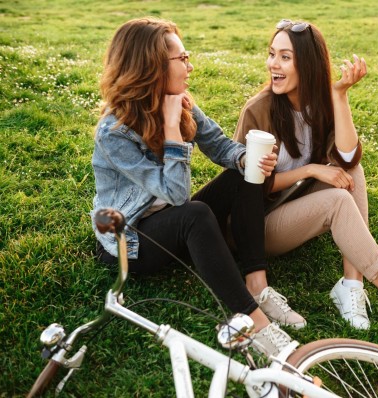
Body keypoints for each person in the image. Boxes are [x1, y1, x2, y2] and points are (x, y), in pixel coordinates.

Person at [233, 19, 378, 332]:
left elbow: (348, 157)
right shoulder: (258, 110)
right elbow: (245, 187)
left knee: (352, 170)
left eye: (285, 57)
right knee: (337, 200)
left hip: (295, 203)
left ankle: (351, 285)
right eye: (272, 54)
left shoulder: (321, 104)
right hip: (259, 227)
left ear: (309, 64)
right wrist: (312, 169)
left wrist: (339, 96)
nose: (273, 64)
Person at [90, 17, 292, 358]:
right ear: (151, 66)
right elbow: (177, 195)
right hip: (134, 241)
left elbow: (220, 146)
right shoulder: (115, 132)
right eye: (181, 59)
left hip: (172, 222)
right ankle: (256, 324)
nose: (190, 66)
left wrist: (247, 159)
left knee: (244, 176)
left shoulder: (178, 99)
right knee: (194, 214)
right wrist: (171, 130)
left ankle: (257, 285)